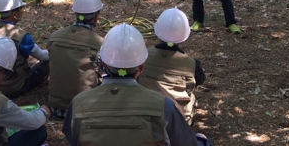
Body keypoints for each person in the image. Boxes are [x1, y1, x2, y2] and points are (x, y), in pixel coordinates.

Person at [62, 23, 212, 146]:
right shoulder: (163, 106)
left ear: (103, 64)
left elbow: (73, 138)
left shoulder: (78, 104)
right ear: (141, 67)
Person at [138, 7, 206, 125]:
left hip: (145, 116)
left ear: (157, 32)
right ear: (184, 36)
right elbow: (200, 80)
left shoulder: (141, 56)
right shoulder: (192, 64)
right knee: (192, 96)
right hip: (177, 122)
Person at [0, 0, 49, 98]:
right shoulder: (21, 36)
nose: (23, 11)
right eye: (21, 8)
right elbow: (42, 57)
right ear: (14, 13)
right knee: (48, 62)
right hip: (13, 86)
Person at [48, 0, 104, 119]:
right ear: (96, 17)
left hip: (54, 107)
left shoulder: (54, 37)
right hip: (84, 109)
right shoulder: (100, 44)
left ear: (76, 14)